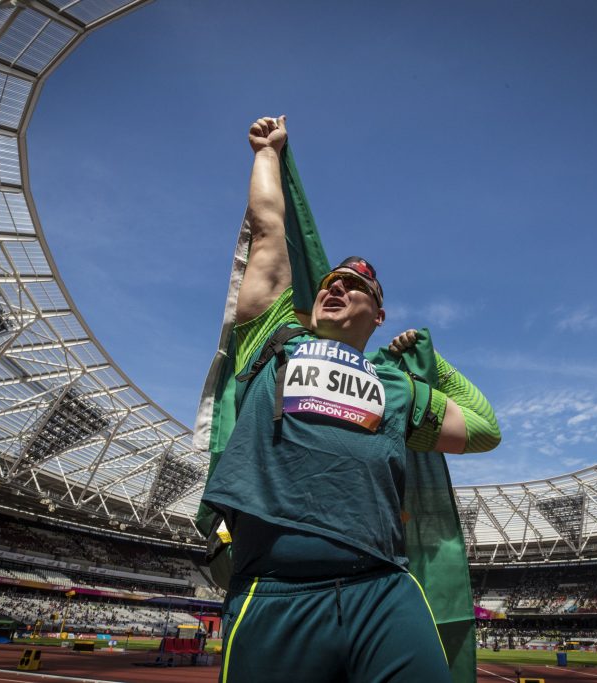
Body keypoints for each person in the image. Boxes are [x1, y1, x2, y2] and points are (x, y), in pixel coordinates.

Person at [201, 116, 501, 683]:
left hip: (384, 590)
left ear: (379, 314)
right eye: (330, 283)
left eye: (354, 286)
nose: (335, 286)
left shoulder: (396, 388)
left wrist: (434, 366)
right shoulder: (272, 342)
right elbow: (268, 230)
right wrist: (268, 153)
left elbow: (485, 430)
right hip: (274, 591)